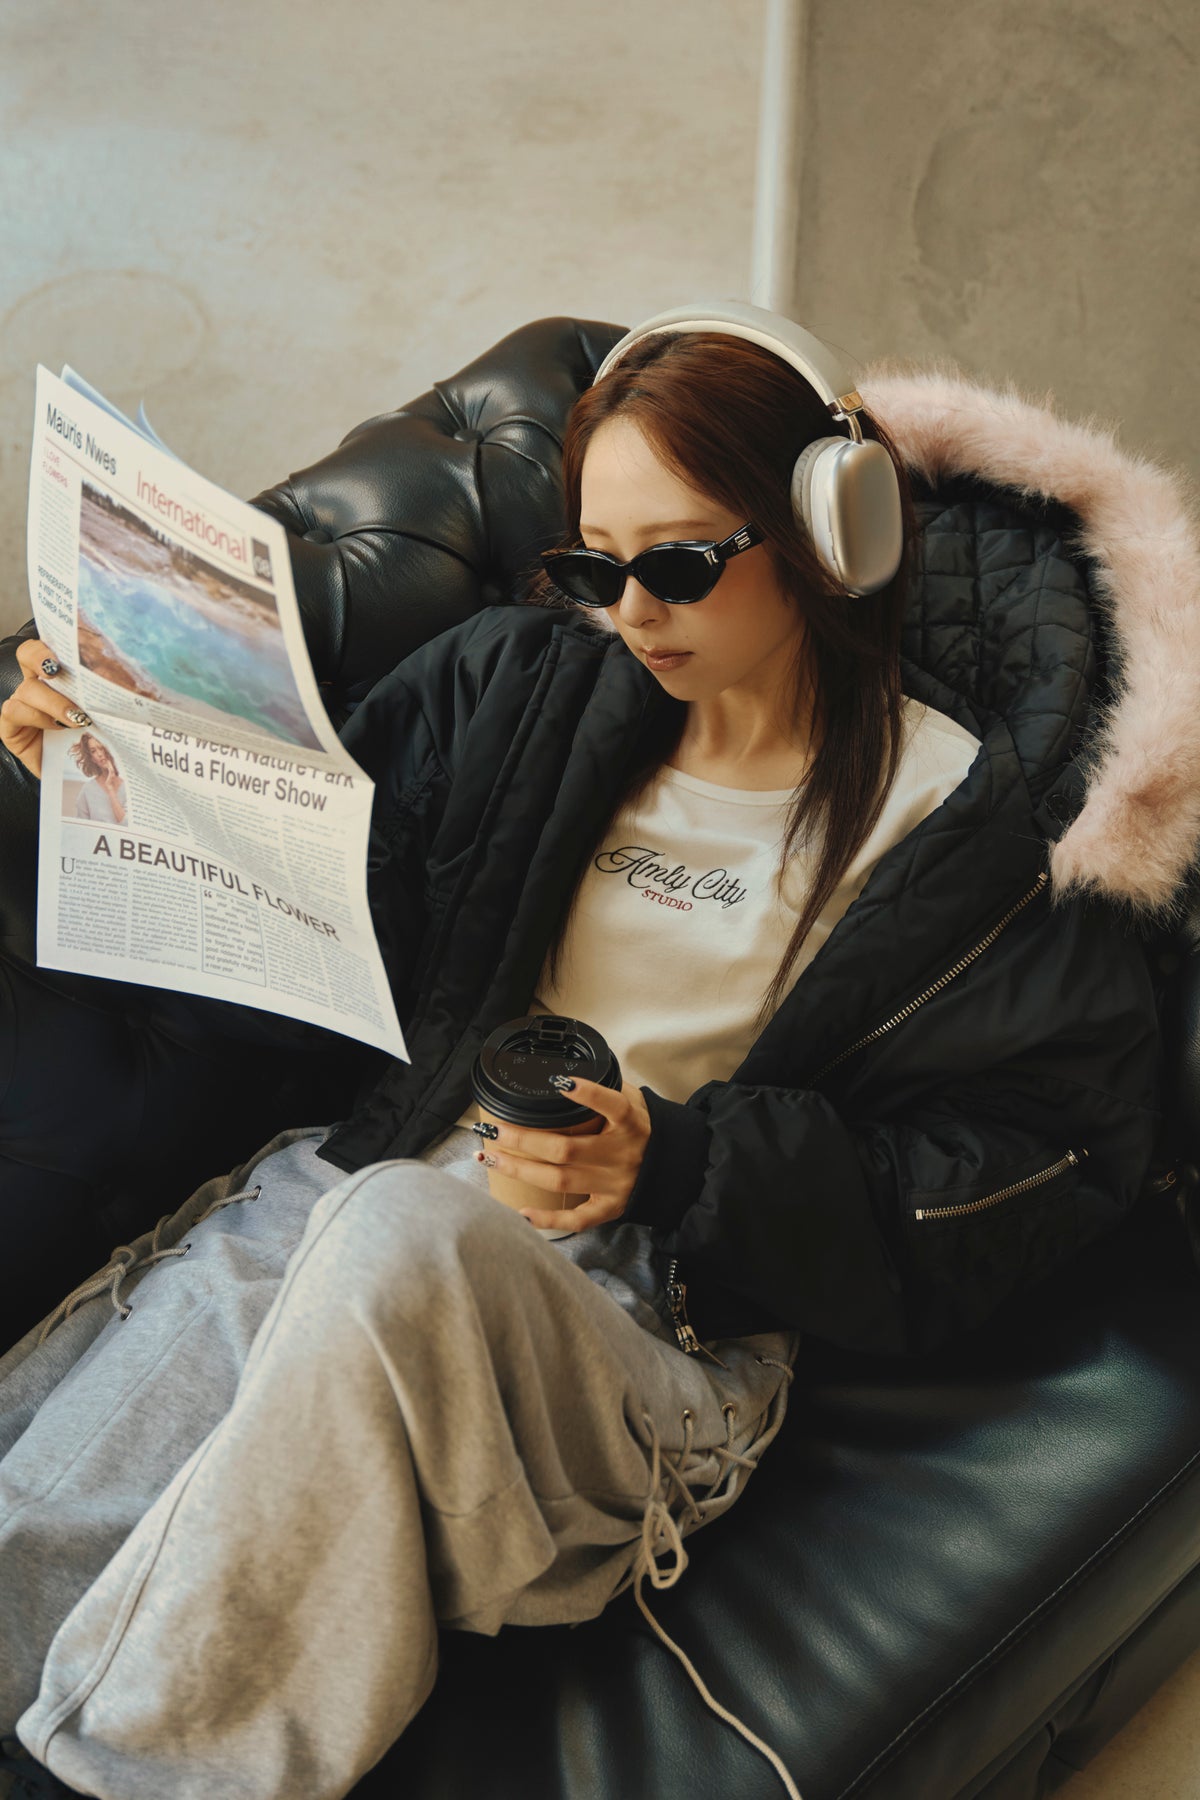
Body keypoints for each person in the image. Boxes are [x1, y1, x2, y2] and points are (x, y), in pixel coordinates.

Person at [0, 310, 1164, 1800]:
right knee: (67, 1492)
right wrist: (124, 762)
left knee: (397, 1238)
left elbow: (1026, 1167)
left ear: (832, 533)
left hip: (638, 1322)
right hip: (370, 1189)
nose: (633, 614)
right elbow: (339, 900)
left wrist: (676, 1161)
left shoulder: (963, 839)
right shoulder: (519, 684)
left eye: (678, 565)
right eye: (596, 568)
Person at [66, 731, 126, 824]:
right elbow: (81, 826)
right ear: (92, 758)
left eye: (101, 748)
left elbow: (126, 823)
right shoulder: (87, 790)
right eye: (93, 751)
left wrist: (110, 788)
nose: (99, 754)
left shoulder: (126, 788)